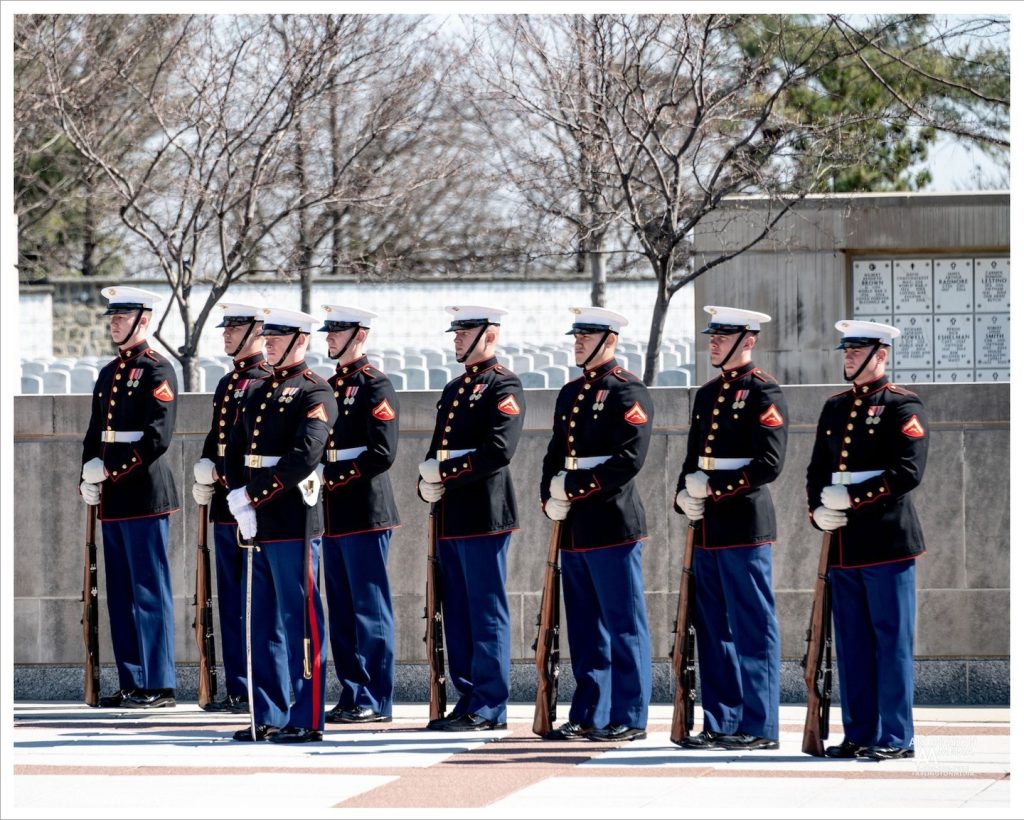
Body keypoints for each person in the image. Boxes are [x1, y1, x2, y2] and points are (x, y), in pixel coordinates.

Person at [807, 319, 928, 761]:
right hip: (844, 543)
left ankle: (896, 736)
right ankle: (860, 732)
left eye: (858, 351)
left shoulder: (902, 406)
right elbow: (817, 468)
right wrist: (818, 509)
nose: (849, 357)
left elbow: (907, 473)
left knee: (890, 642)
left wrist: (853, 497)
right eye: (846, 351)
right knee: (853, 646)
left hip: (887, 543)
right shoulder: (835, 407)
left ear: (882, 354)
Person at [674, 305, 787, 751]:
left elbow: (769, 464)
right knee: (712, 628)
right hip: (707, 526)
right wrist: (684, 495)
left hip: (743, 523)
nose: (714, 342)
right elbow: (693, 456)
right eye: (713, 335)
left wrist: (715, 488)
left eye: (724, 336)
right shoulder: (707, 394)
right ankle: (721, 721)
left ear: (749, 340)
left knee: (752, 627)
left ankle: (759, 725)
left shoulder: (764, 392)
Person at [539, 306, 654, 743]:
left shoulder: (628, 392)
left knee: (624, 624)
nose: (578, 343)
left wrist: (574, 488)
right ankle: (589, 711)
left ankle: (630, 714)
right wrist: (549, 492)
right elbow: (556, 451)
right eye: (577, 336)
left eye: (587, 336)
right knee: (585, 627)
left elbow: (628, 461)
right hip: (574, 523)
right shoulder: (571, 392)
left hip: (611, 520)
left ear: (610, 340)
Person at [224, 307, 337, 743]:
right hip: (258, 521)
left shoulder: (316, 392)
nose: (267, 343)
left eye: (278, 337)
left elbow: (304, 456)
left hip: (292, 519)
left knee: (301, 620)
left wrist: (253, 495)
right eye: (267, 336)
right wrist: (238, 496)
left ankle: (306, 716)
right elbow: (235, 450)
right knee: (263, 623)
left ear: (301, 341)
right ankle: (266, 713)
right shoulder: (260, 391)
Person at [417, 305, 525, 731]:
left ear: (490, 335)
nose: (457, 339)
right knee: (458, 611)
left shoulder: (504, 384)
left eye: (466, 333)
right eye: (456, 333)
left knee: (485, 611)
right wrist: (426, 478)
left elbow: (498, 450)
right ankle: (467, 698)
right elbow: (439, 447)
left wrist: (442, 474)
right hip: (451, 514)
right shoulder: (454, 387)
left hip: (484, 513)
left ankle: (489, 704)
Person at [80, 285, 179, 709]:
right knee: (119, 594)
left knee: (149, 591)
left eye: (121, 317)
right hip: (113, 500)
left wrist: (113, 469)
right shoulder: (108, 372)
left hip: (143, 494)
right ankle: (132, 680)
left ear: (144, 321)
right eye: (112, 317)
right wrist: (86, 474)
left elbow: (157, 438)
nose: (113, 323)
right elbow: (95, 432)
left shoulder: (158, 371)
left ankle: (158, 684)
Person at [316, 305, 400, 724]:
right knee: (344, 611)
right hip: (332, 513)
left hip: (364, 510)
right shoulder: (330, 386)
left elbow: (382, 453)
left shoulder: (374, 385)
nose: (329, 338)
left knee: (369, 608)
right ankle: (351, 692)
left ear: (359, 336)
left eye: (338, 331)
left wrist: (330, 475)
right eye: (328, 331)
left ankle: (375, 697)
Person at [191, 303, 271, 713]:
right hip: (225, 503)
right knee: (230, 602)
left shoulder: (265, 380)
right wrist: (206, 467)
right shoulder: (228, 382)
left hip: (247, 502)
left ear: (257, 332)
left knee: (254, 601)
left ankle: (256, 684)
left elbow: (253, 448)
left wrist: (234, 483)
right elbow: (218, 436)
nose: (226, 334)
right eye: (226, 329)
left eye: (235, 328)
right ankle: (238, 685)